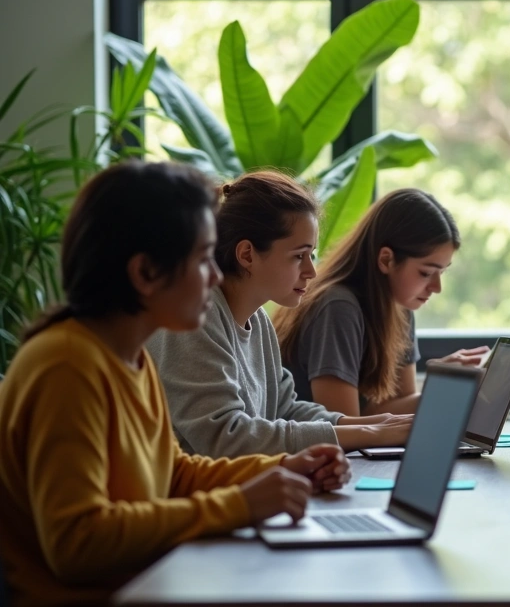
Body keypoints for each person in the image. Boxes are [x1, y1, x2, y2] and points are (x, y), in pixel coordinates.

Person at [0, 162, 350, 605]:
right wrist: (240, 505)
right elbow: (78, 543)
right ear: (145, 272)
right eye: (203, 258)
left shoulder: (130, 357)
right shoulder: (67, 366)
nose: (215, 276)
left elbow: (174, 472)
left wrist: (281, 467)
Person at [147, 171, 415, 457]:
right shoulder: (195, 317)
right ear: (247, 254)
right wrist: (368, 433)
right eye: (299, 256)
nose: (311, 271)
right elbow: (225, 437)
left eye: (311, 255)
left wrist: (377, 424)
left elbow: (284, 409)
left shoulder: (258, 319)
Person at [274, 188, 487, 417]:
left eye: (442, 273)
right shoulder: (338, 308)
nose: (437, 288)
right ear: (386, 259)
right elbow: (344, 426)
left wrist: (443, 386)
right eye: (426, 273)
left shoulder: (400, 306)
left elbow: (392, 406)